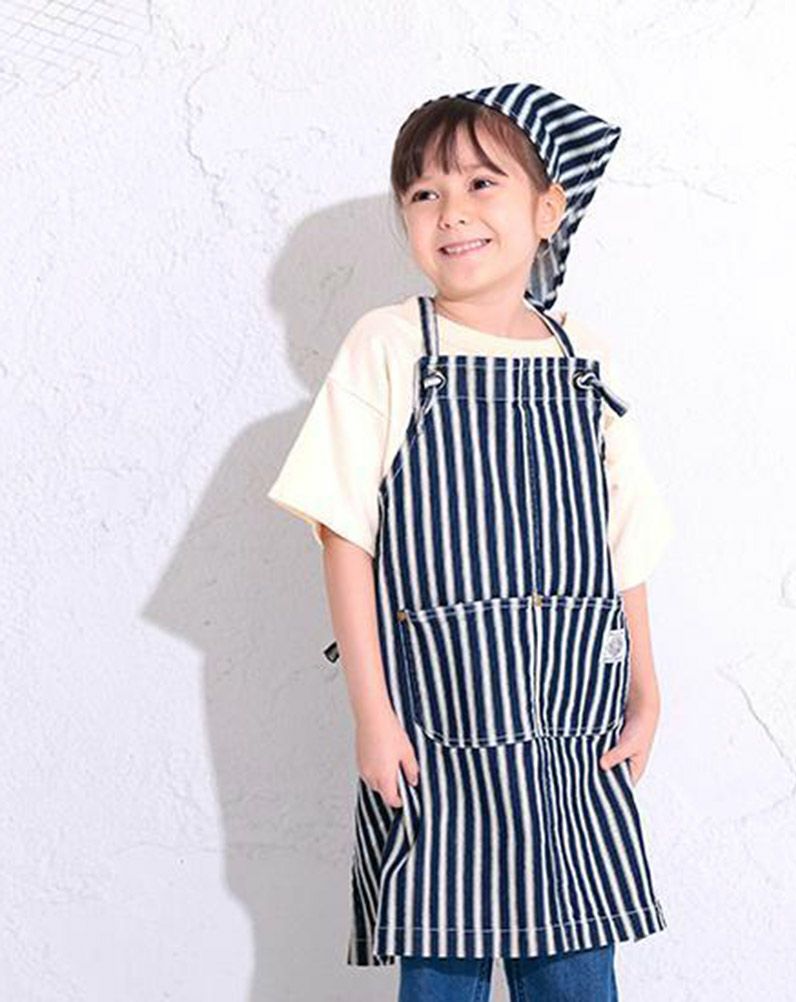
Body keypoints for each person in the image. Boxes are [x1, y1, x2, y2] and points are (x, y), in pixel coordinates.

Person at [267, 82, 675, 1001]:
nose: (451, 211)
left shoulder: (584, 359)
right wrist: (373, 717)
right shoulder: (387, 345)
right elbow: (344, 534)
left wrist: (647, 690)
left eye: (481, 183)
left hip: (572, 735)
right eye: (424, 192)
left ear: (547, 210)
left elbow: (626, 543)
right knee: (440, 964)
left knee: (575, 966)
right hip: (436, 729)